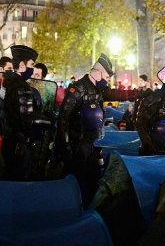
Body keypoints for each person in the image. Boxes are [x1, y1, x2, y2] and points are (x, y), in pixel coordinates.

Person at [54, 53, 132, 208]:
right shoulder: (77, 89)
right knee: (74, 183)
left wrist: (140, 94)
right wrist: (67, 150)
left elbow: (118, 94)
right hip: (76, 146)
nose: (106, 80)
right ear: (96, 72)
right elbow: (63, 121)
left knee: (92, 181)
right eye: (105, 76)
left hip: (93, 144)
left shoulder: (98, 89)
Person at [0, 45, 38, 180]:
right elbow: (28, 121)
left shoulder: (6, 82)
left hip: (7, 141)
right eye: (32, 64)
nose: (33, 69)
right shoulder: (22, 86)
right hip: (19, 145)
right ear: (22, 65)